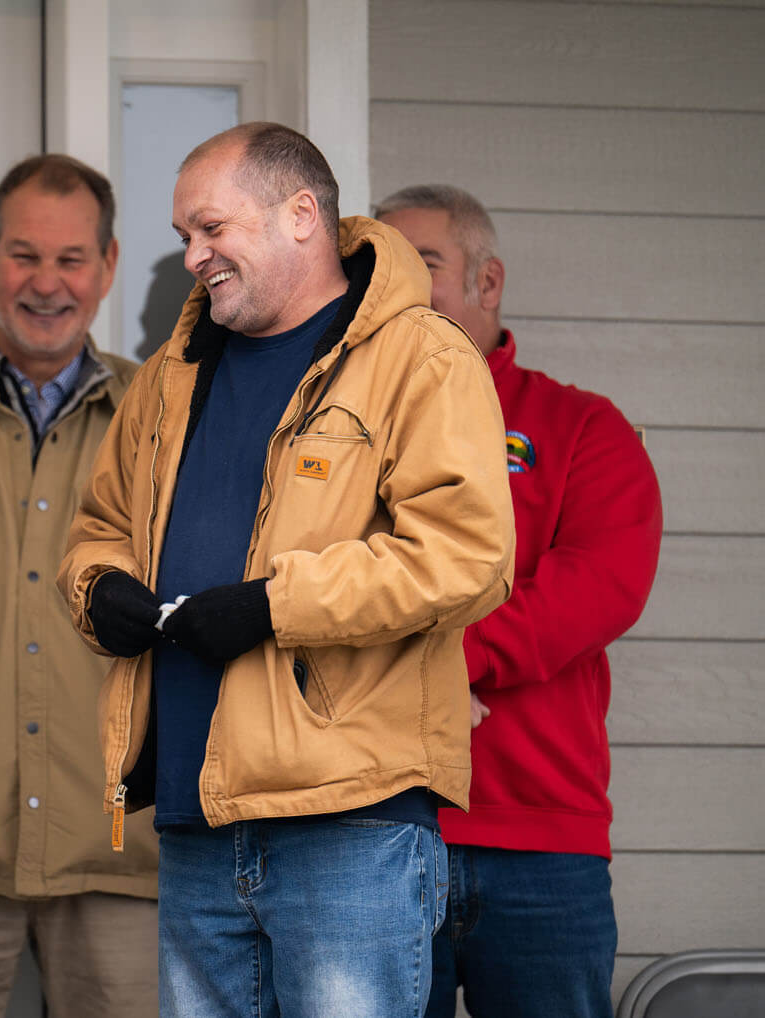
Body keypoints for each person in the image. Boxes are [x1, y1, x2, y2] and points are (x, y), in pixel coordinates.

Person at [58, 122, 517, 1018]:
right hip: (194, 817)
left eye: (210, 229)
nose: (191, 255)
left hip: (349, 822)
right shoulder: (167, 377)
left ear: (300, 214)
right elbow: (100, 529)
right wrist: (97, 588)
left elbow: (466, 557)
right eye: (184, 236)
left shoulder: (420, 358)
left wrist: (274, 606)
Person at [376, 184, 663, 1018]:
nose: (397, 287)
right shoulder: (340, 437)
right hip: (376, 833)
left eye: (422, 264)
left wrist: (439, 659)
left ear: (486, 281)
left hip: (542, 842)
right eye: (380, 270)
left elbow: (598, 585)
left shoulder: (581, 428)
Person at [0, 154, 156, 1018]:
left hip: (120, 845)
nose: (45, 283)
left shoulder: (167, 418)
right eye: (23, 254)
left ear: (109, 266)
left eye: (71, 258)